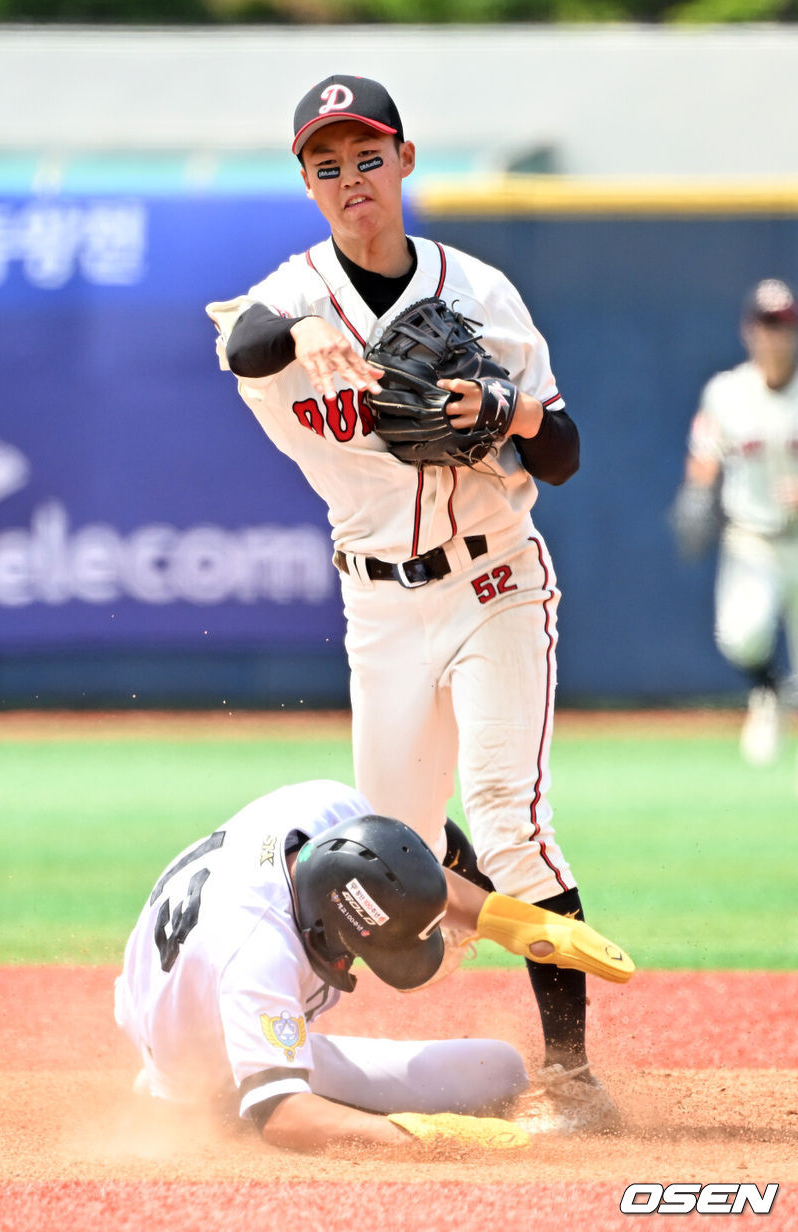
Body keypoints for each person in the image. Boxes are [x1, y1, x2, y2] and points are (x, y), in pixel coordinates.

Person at [205, 75, 614, 1132]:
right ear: (306, 181)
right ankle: (306, 1023)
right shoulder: (290, 297)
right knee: (389, 845)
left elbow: (560, 454)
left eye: (367, 156)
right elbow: (243, 344)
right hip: (377, 608)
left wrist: (508, 408)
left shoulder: (479, 292)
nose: (352, 180)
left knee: (508, 814)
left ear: (405, 160)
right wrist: (306, 341)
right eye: (327, 165)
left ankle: (570, 1074)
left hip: (492, 581)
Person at [114, 779, 633, 1155]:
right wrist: (414, 1136)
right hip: (200, 1066)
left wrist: (509, 919)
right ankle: (204, 1100)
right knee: (496, 1073)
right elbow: (284, 1117)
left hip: (164, 983)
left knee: (498, 1067)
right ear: (330, 932)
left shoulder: (330, 810)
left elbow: (394, 863)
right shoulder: (260, 958)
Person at [673, 277, 798, 766]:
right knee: (739, 634)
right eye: (766, 326)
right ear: (749, 331)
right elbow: (704, 457)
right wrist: (698, 493)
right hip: (754, 539)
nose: (774, 337)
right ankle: (770, 690)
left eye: (783, 326)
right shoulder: (726, 392)